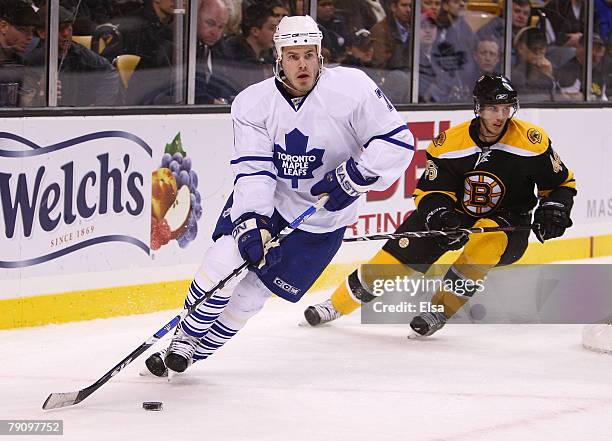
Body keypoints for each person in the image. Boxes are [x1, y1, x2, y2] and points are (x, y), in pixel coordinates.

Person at [143, 15, 415, 376]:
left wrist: (356, 176)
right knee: (224, 261)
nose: (302, 64)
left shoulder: (353, 89)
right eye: (292, 56)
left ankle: (193, 354)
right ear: (278, 58)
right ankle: (183, 338)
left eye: (309, 55)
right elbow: (255, 168)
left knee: (252, 294)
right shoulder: (252, 103)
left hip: (323, 218)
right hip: (272, 200)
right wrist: (253, 219)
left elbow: (397, 142)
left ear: (320, 55)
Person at [304, 74, 577, 339]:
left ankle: (439, 310)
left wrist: (554, 207)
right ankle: (335, 305)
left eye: (506, 109)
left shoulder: (532, 141)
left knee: (483, 245)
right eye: (493, 108)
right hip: (456, 213)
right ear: (479, 108)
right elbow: (432, 192)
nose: (500, 116)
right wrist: (441, 216)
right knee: (392, 262)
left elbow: (562, 184)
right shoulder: (449, 143)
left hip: (508, 222)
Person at [24, 5, 123, 106]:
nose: (66, 33)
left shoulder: (78, 52)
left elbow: (109, 73)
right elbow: (26, 104)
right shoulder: (31, 61)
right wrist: (40, 99)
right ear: (42, 33)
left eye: (69, 27)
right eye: (61, 29)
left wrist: (99, 108)